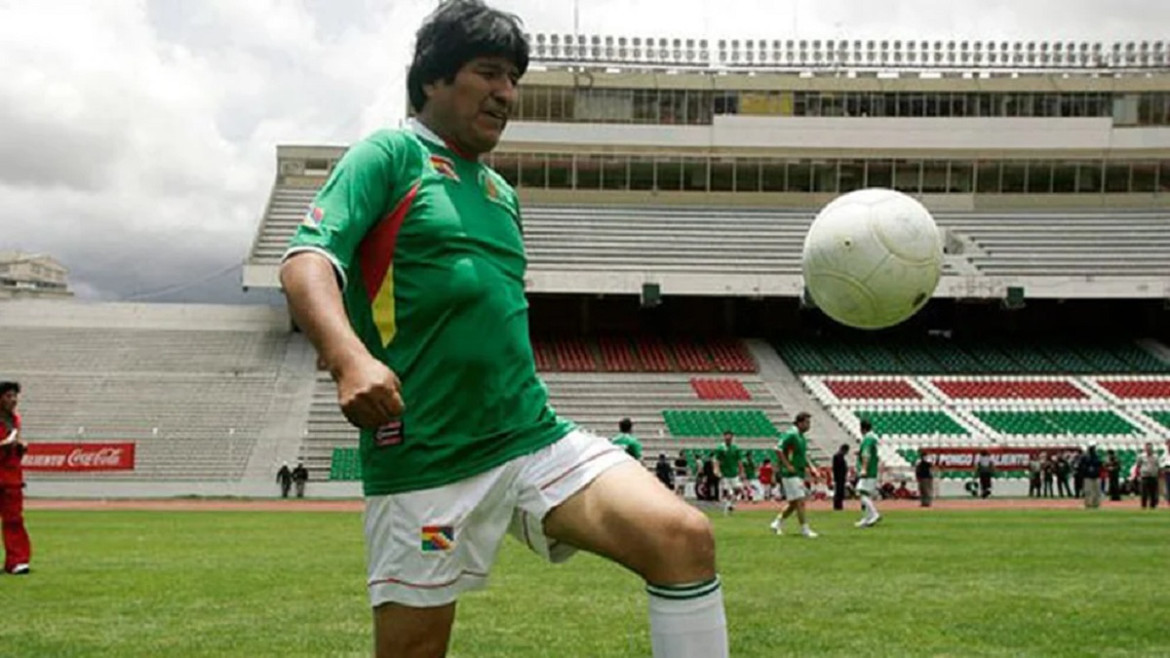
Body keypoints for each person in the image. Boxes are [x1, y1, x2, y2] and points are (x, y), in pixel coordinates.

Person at [278, 3, 726, 655]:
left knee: (683, 538)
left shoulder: (499, 193)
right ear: (433, 79)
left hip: (531, 438)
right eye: (489, 73)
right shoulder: (390, 155)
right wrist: (349, 359)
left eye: (513, 78)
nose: (506, 93)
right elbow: (306, 260)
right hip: (427, 459)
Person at [769, 412, 818, 538]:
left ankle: (777, 523)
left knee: (793, 503)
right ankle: (805, 529)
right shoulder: (791, 434)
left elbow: (803, 455)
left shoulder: (801, 436)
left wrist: (811, 467)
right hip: (791, 474)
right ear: (800, 422)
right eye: (807, 422)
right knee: (800, 501)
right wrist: (787, 465)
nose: (809, 425)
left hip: (798, 473)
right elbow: (778, 449)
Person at [0, 381, 31, 575]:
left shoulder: (15, 420)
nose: (13, 400)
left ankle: (17, 561)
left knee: (14, 520)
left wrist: (20, 446)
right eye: (8, 396)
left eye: (14, 396)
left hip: (11, 477)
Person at [854, 420, 882, 528]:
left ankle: (874, 514)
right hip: (872, 469)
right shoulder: (872, 438)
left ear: (862, 429)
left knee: (860, 492)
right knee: (866, 494)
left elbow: (866, 454)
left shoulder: (868, 439)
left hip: (869, 470)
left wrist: (864, 468)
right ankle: (866, 518)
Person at [712, 431, 743, 514]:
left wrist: (741, 471)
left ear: (732, 438)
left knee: (738, 490)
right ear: (724, 437)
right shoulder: (720, 448)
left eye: (730, 438)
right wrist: (716, 469)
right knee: (728, 491)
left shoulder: (736, 448)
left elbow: (739, 461)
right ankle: (727, 507)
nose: (728, 439)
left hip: (734, 473)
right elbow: (716, 460)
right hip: (725, 473)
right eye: (726, 437)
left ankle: (731, 504)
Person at [1134, 442, 1160, 509]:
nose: (1148, 449)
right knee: (1144, 492)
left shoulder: (1156, 457)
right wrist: (1137, 475)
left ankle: (1153, 506)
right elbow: (1138, 466)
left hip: (1153, 476)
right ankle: (1143, 506)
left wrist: (1158, 474)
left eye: (1150, 448)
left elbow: (1158, 466)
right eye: (1147, 448)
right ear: (1145, 448)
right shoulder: (1141, 456)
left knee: (1153, 493)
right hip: (1144, 476)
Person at [1080, 444, 1103, 509]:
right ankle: (1090, 504)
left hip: (1094, 476)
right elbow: (1082, 466)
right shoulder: (1085, 457)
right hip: (1089, 476)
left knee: (1094, 491)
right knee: (1090, 491)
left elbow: (1100, 465)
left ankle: (1093, 504)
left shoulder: (1096, 457)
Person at [831, 443, 849, 511]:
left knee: (840, 492)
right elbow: (836, 468)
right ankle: (837, 506)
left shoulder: (839, 456)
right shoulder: (838, 456)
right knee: (838, 492)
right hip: (839, 477)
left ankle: (839, 506)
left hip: (840, 477)